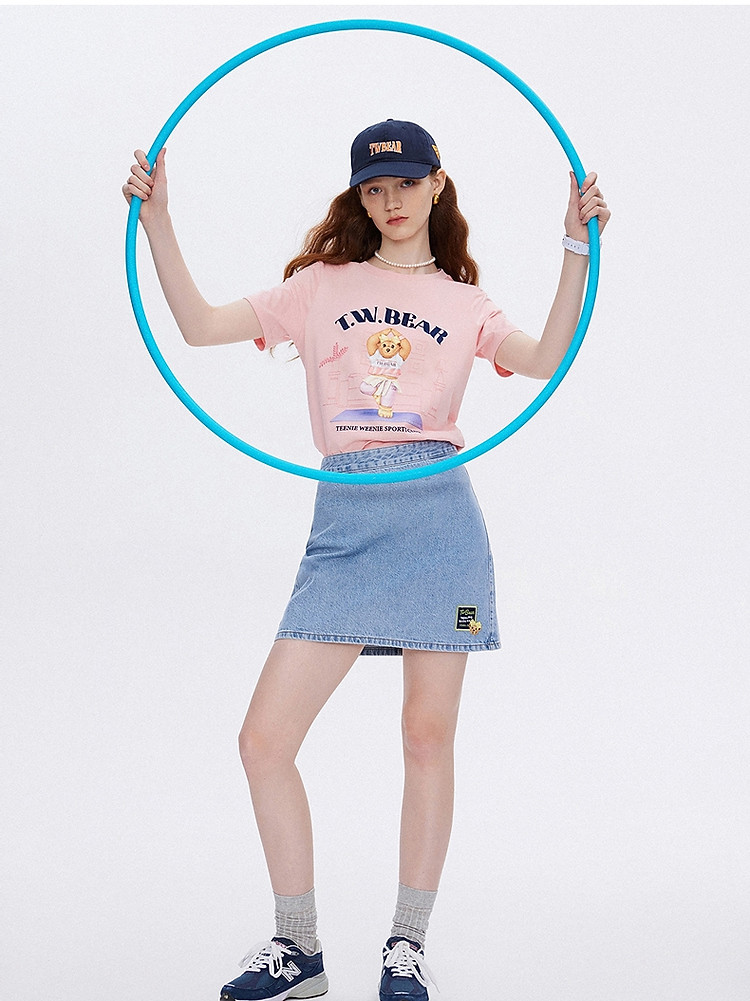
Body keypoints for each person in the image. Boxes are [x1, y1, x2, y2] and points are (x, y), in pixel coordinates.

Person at [123, 118, 609, 1001]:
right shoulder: (319, 286)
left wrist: (577, 246)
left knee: (426, 735)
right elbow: (195, 326)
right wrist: (157, 219)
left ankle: (406, 946)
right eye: (373, 188)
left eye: (405, 183)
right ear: (360, 195)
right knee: (264, 739)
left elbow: (547, 357)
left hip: (439, 522)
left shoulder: (465, 302)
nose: (389, 200)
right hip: (346, 522)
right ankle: (298, 947)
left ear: (436, 184)